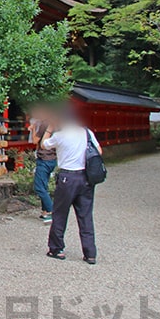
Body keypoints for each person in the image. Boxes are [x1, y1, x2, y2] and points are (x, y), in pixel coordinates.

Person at [41, 108, 101, 264]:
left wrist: (49, 128)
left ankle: (57, 248)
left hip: (67, 177)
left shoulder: (60, 136)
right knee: (85, 215)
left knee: (60, 213)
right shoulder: (86, 132)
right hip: (85, 177)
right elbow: (98, 151)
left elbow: (44, 145)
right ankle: (90, 253)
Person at [29, 107, 57, 223]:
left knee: (39, 187)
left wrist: (33, 128)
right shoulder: (56, 124)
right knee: (43, 185)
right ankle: (45, 211)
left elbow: (36, 141)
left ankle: (51, 211)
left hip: (44, 158)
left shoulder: (44, 124)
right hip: (52, 158)